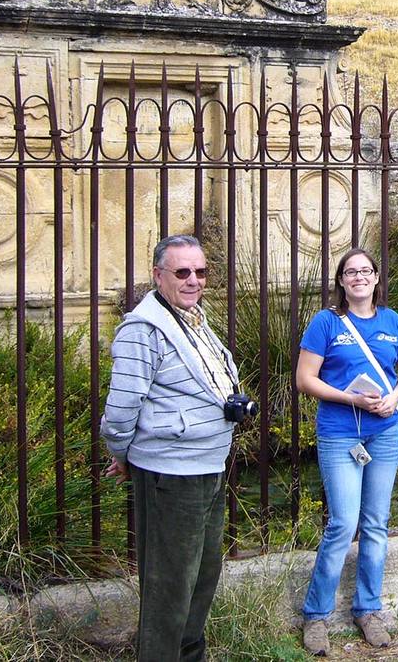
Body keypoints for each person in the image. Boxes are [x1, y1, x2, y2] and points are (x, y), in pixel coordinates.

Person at [101, 235, 245, 662]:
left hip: (207, 466)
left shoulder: (193, 320)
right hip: (171, 473)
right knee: (169, 587)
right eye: (182, 272)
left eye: (200, 272)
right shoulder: (143, 329)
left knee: (201, 579)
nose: (193, 280)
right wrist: (122, 453)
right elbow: (122, 407)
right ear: (158, 275)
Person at [295, 247, 398, 657]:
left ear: (377, 277)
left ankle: (367, 609)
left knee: (377, 523)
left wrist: (393, 397)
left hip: (383, 431)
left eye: (366, 271)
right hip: (340, 431)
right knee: (344, 524)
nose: (359, 277)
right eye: (351, 272)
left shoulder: (391, 321)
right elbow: (305, 379)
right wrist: (351, 399)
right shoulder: (326, 322)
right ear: (342, 281)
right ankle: (316, 616)